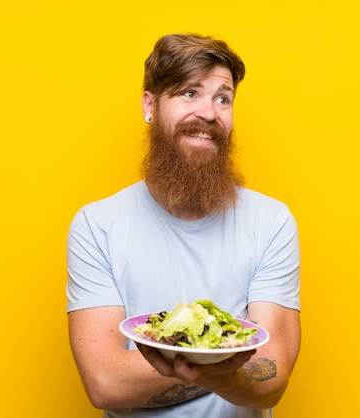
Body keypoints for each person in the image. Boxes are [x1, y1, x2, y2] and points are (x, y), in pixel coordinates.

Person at [66, 33, 301, 418]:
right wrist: (224, 359)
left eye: (222, 98)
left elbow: (272, 377)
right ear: (150, 105)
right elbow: (105, 382)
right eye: (190, 93)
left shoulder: (271, 222)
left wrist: (174, 362)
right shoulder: (97, 226)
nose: (209, 113)